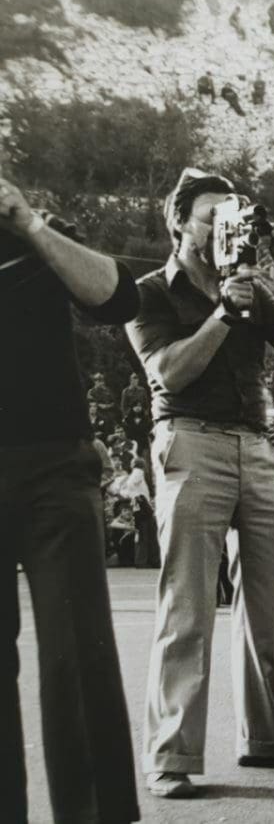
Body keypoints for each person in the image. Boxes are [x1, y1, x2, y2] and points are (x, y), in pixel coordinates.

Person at [125, 167, 274, 799]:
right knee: (187, 607)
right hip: (189, 440)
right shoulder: (149, 292)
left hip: (257, 445)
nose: (224, 227)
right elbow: (169, 372)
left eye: (232, 216)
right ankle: (171, 755)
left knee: (262, 606)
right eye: (213, 216)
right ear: (180, 223)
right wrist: (222, 313)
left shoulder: (253, 285)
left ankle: (266, 738)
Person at [0, 178, 141, 823]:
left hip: (56, 465)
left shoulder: (41, 229)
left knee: (77, 653)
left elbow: (117, 299)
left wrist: (29, 224)